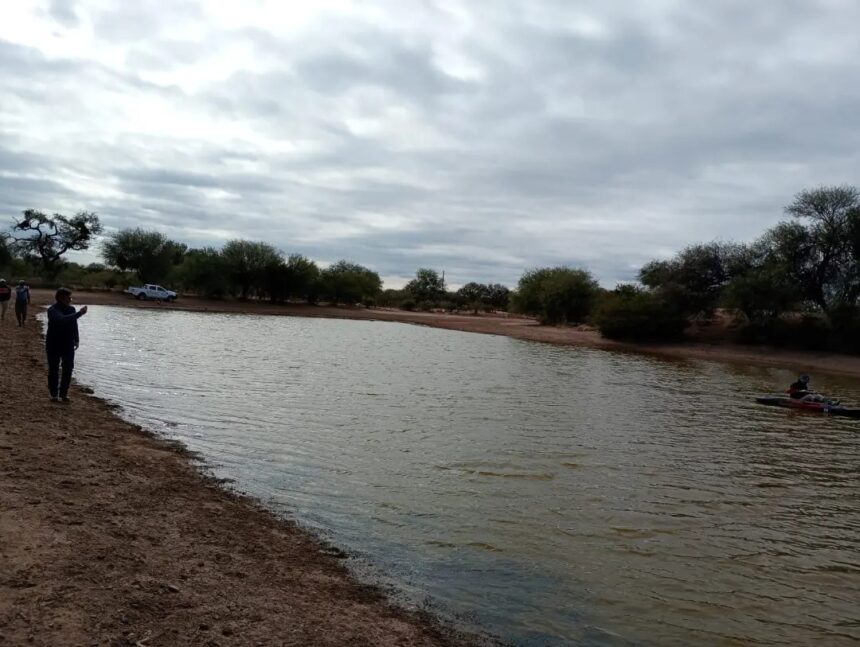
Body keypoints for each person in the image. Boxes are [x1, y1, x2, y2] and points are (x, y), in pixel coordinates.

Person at [45, 288, 88, 403]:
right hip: (53, 343)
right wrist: (79, 313)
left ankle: (64, 394)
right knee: (53, 369)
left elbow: (73, 324)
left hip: (68, 343)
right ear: (60, 298)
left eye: (71, 298)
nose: (70, 300)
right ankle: (54, 394)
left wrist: (76, 339)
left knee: (68, 368)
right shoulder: (52, 310)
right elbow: (61, 320)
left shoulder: (71, 309)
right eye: (68, 298)